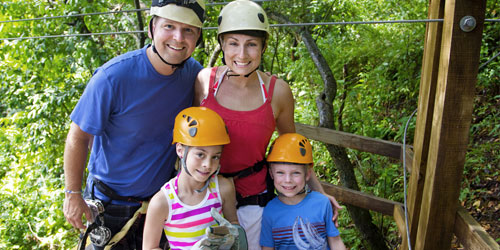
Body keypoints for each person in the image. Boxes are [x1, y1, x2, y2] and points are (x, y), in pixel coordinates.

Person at [194, 0, 340, 248]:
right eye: (233, 43)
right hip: (205, 196)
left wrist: (319, 192)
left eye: (251, 44)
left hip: (255, 201)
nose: (242, 54)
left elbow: (293, 150)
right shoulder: (204, 83)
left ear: (263, 47)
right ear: (222, 45)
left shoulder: (277, 92)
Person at [63, 0, 205, 249]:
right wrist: (72, 194)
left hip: (160, 203)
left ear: (198, 38)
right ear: (151, 30)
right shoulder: (113, 78)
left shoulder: (194, 75)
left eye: (188, 31)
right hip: (110, 204)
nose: (178, 38)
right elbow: (78, 136)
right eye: (169, 26)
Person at [143, 106, 244, 250]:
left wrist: (232, 237)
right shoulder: (162, 203)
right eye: (200, 154)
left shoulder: (223, 188)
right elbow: (149, 247)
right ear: (180, 150)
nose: (207, 165)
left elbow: (233, 224)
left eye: (215, 157)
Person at [260, 133, 347, 250]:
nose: (288, 180)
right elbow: (267, 248)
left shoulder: (322, 203)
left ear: (307, 175)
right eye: (280, 173)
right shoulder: (270, 210)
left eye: (296, 173)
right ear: (271, 174)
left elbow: (335, 242)